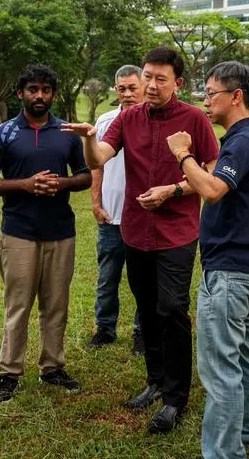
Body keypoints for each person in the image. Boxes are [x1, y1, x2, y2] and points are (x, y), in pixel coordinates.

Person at [63, 46, 220, 434]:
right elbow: (99, 157)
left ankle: (175, 397)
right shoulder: (128, 118)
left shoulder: (195, 120)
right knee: (148, 311)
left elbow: (212, 172)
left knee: (171, 309)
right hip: (135, 231)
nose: (150, 85)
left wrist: (174, 190)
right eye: (147, 76)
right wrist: (87, 138)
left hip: (176, 233)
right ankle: (155, 380)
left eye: (159, 79)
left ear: (177, 83)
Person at [166, 61, 249, 458]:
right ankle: (246, 435)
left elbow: (211, 190)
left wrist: (182, 155)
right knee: (242, 359)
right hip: (245, 270)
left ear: (236, 96)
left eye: (212, 93)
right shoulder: (245, 139)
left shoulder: (242, 142)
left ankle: (224, 452)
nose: (206, 101)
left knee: (220, 370)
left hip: (229, 272)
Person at [0, 65, 92, 403]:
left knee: (56, 305)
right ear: (20, 93)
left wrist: (62, 183)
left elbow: (85, 176)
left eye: (45, 90)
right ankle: (9, 373)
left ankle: (52, 367)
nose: (39, 96)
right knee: (18, 306)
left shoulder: (68, 133)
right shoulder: (4, 133)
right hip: (18, 234)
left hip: (60, 233)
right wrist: (26, 185)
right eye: (32, 89)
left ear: (53, 94)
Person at [87, 65, 144, 353]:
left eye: (133, 87)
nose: (128, 93)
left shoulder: (152, 120)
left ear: (144, 86)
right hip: (111, 215)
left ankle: (141, 333)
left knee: (143, 280)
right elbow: (96, 165)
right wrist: (96, 203)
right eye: (122, 88)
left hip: (144, 217)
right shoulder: (106, 120)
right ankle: (104, 328)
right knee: (107, 276)